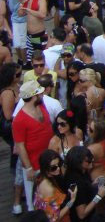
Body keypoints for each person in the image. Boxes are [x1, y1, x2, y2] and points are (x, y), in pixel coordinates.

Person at [13, 79, 54, 211]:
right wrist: (29, 168)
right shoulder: (19, 120)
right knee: (33, 199)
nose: (42, 94)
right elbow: (20, 146)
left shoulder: (42, 106)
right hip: (34, 164)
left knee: (51, 194)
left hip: (49, 159)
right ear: (33, 97)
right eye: (39, 93)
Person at [33, 149, 78, 221]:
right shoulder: (48, 188)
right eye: (53, 168)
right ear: (45, 168)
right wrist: (72, 201)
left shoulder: (41, 177)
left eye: (59, 164)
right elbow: (55, 219)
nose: (58, 168)